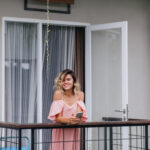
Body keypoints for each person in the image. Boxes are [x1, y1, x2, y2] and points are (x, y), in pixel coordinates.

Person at [48, 69, 88, 150]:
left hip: (73, 131)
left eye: (68, 79)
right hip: (60, 131)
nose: (65, 82)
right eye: (63, 80)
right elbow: (57, 118)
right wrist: (69, 120)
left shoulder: (80, 94)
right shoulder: (58, 94)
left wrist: (77, 120)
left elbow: (80, 115)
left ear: (74, 81)